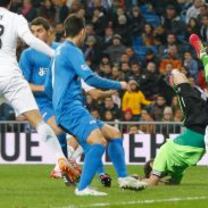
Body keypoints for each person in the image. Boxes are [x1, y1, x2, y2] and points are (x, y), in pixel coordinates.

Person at [47, 15, 145, 196]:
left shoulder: (58, 52)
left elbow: (47, 86)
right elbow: (90, 78)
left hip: (67, 108)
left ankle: (123, 178)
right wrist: (120, 85)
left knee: (114, 134)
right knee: (98, 142)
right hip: (70, 108)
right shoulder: (72, 50)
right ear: (82, 31)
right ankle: (82, 188)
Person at [19, 17, 115, 186]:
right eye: (32, 32)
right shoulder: (28, 55)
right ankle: (66, 169)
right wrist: (45, 89)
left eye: (39, 31)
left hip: (65, 100)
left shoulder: (62, 50)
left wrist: (91, 90)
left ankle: (100, 173)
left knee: (83, 134)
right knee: (58, 129)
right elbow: (22, 83)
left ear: (50, 32)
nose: (35, 35)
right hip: (44, 104)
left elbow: (78, 74)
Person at [0, 0, 79, 181]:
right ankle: (60, 159)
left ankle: (63, 161)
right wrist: (54, 54)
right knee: (38, 122)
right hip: (11, 77)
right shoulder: (15, 18)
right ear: (10, 2)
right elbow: (30, 40)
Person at [143, 34, 208, 186]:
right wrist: (155, 181)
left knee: (175, 73)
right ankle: (202, 69)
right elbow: (170, 183)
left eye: (153, 163)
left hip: (195, 122)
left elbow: (153, 181)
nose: (154, 163)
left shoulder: (163, 153)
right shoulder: (175, 170)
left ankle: (201, 54)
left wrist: (138, 181)